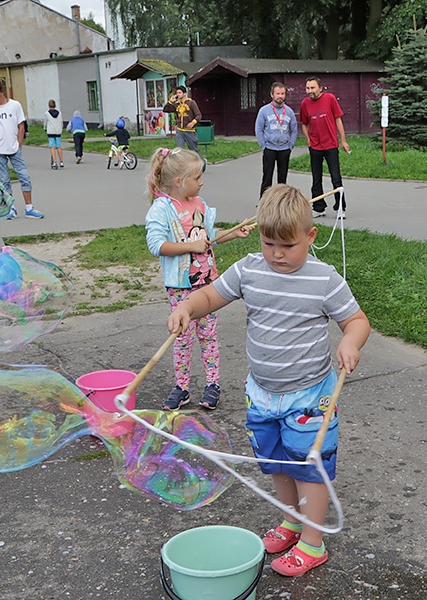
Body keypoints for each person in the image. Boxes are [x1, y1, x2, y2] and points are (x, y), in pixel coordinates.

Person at [167, 184, 370, 576]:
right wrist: (187, 308)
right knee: (277, 462)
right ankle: (291, 521)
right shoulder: (248, 269)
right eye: (268, 242)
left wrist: (350, 342)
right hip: (262, 394)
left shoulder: (324, 280)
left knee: (309, 469)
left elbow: (357, 321)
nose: (277, 254)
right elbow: (210, 296)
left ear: (310, 237)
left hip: (311, 396)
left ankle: (313, 543)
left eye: (288, 245)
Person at [145, 147, 251, 410]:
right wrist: (190, 247)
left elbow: (209, 235)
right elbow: (156, 245)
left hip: (207, 283)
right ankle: (182, 387)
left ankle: (212, 384)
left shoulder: (200, 205)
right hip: (181, 288)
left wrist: (233, 233)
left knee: (208, 336)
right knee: (182, 337)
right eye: (197, 177)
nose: (202, 181)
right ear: (180, 181)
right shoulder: (162, 209)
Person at [0, 77, 43, 220]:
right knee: (4, 180)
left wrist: (19, 144)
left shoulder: (15, 105)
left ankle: (29, 208)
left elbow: (21, 126)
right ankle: (11, 209)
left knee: (24, 177)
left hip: (15, 149)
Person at [299, 77, 349, 219]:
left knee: (336, 178)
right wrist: (308, 140)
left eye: (312, 88)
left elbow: (338, 119)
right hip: (315, 146)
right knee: (316, 179)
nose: (310, 91)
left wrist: (343, 141)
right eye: (308, 88)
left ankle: (340, 208)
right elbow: (304, 123)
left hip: (331, 145)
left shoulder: (330, 99)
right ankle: (319, 207)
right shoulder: (305, 103)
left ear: (320, 88)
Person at [256, 82, 298, 198]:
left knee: (282, 178)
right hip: (269, 148)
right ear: (272, 94)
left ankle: (281, 202)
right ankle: (264, 202)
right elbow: (258, 129)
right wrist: (263, 146)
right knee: (267, 177)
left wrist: (291, 145)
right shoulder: (264, 111)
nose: (280, 96)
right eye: (278, 93)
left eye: (283, 93)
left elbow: (294, 129)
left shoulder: (289, 111)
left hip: (284, 149)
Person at [163, 86, 202, 156]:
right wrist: (170, 101)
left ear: (184, 93)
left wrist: (193, 122)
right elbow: (166, 109)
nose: (178, 94)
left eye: (180, 92)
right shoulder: (177, 104)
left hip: (189, 131)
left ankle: (201, 163)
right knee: (179, 150)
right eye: (177, 93)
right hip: (180, 130)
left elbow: (198, 115)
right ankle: (181, 164)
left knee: (193, 150)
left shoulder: (191, 103)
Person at [45, 99, 64, 170]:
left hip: (51, 131)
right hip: (58, 131)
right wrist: (60, 128)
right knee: (58, 146)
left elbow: (45, 122)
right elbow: (61, 122)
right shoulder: (59, 113)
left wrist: (45, 128)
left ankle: (55, 162)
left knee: (52, 146)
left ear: (49, 106)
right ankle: (61, 161)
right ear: (55, 106)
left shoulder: (47, 113)